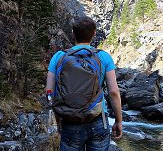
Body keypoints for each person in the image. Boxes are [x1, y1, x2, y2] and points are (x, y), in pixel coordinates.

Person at [46, 16, 122, 151]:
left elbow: (50, 92)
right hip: (98, 119)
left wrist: (58, 120)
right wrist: (118, 121)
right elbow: (114, 92)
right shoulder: (103, 57)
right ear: (94, 34)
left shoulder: (58, 57)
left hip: (69, 120)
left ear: (73, 33)